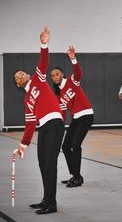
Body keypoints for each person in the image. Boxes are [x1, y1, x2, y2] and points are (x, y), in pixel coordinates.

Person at [13, 27, 64, 214]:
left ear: (27, 75)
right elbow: (30, 124)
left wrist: (44, 44)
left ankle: (52, 204)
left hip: (54, 124)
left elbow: (43, 63)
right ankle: (46, 199)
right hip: (44, 128)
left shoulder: (38, 79)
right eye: (17, 77)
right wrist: (23, 145)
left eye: (21, 73)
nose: (20, 75)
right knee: (43, 164)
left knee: (50, 163)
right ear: (18, 84)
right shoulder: (27, 100)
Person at [50, 46, 94, 187]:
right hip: (76, 118)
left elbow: (78, 73)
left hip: (86, 115)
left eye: (57, 74)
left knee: (75, 145)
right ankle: (75, 175)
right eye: (52, 75)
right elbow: (61, 111)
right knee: (66, 146)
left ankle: (77, 177)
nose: (55, 77)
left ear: (62, 74)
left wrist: (73, 59)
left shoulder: (71, 81)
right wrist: (58, 126)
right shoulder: (59, 93)